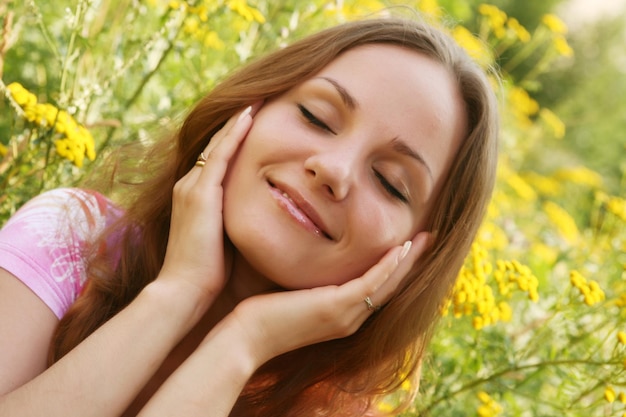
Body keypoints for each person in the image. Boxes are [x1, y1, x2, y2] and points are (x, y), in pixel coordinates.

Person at [0, 14, 498, 417]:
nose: (333, 170)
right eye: (316, 117)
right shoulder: (72, 237)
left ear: (414, 256)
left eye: (391, 182)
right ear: (251, 107)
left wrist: (243, 342)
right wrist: (179, 293)